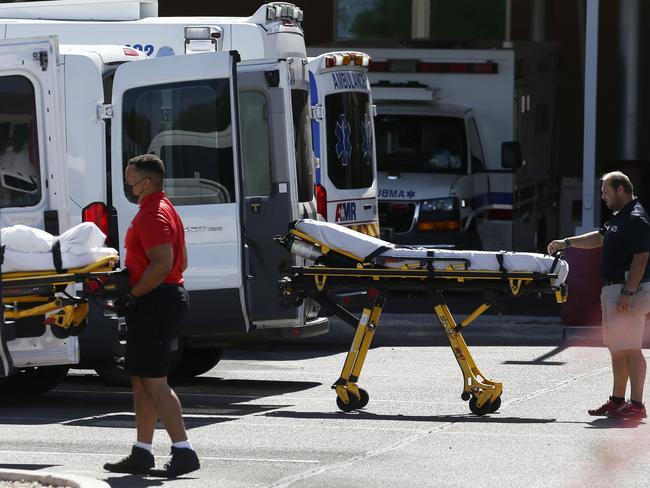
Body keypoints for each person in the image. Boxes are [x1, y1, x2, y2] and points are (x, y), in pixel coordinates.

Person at [103, 154, 200, 476]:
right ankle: (142, 452)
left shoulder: (152, 216)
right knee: (141, 380)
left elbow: (162, 265)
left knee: (155, 383)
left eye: (130, 181)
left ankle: (184, 452)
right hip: (161, 299)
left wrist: (133, 294)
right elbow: (181, 262)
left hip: (157, 302)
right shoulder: (165, 209)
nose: (128, 186)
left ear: (146, 182)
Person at [548, 171, 650, 420]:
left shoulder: (636, 217)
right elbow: (599, 237)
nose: (603, 196)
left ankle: (636, 404)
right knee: (617, 348)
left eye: (605, 191)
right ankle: (617, 400)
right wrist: (566, 243)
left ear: (621, 190)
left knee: (631, 348)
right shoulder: (620, 218)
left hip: (627, 289)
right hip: (615, 289)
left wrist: (628, 291)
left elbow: (642, 256)